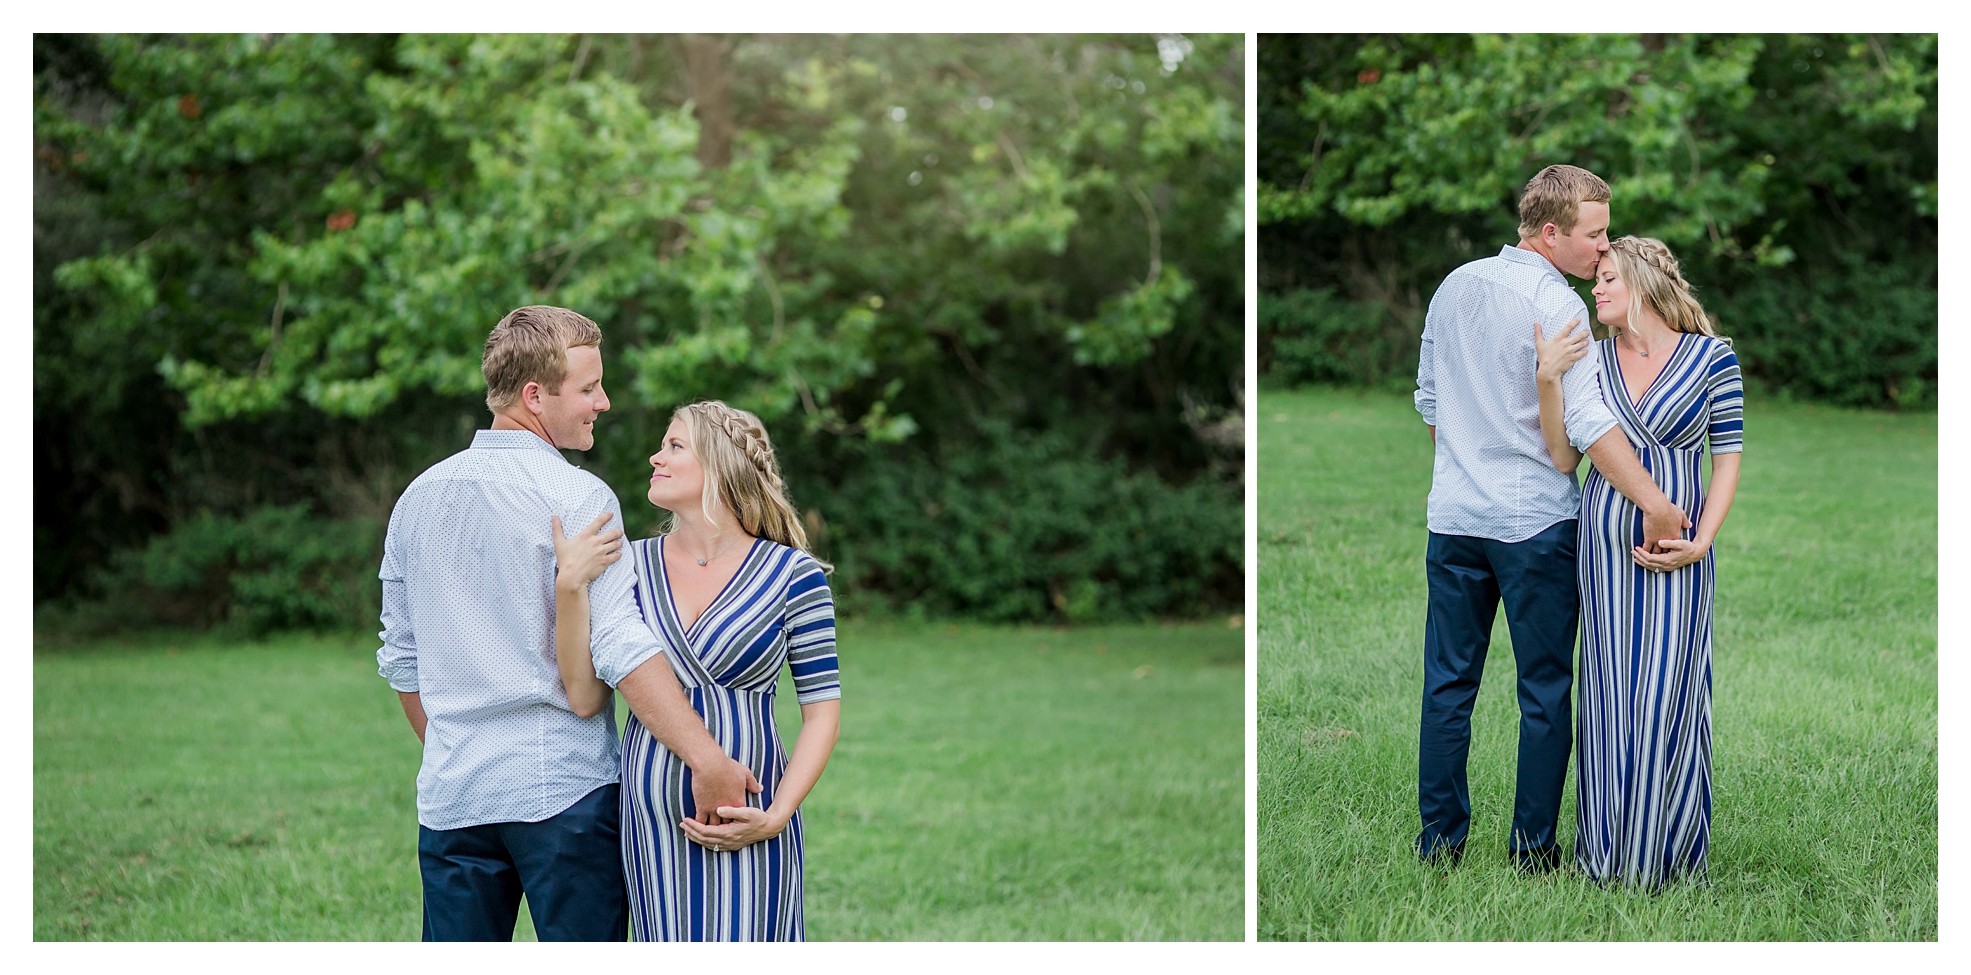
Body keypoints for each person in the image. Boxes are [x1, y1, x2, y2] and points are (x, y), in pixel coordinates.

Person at [375, 306, 759, 941]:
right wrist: (706, 757)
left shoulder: (418, 499)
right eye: (588, 388)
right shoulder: (578, 497)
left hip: (453, 796)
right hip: (566, 797)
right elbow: (617, 642)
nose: (602, 403)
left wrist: (455, 750)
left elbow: (402, 659)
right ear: (535, 395)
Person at [1412, 164, 1690, 873]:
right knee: (1542, 691)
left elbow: (1430, 404)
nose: (1603, 251)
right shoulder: (1558, 308)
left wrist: (1466, 470)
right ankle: (1531, 850)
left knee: (1446, 685)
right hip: (1533, 527)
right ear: (1549, 233)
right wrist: (1654, 503)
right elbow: (1590, 425)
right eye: (1594, 236)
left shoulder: (1452, 287)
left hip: (1452, 518)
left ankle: (1438, 845)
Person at [551, 399, 840, 941]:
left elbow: (823, 713)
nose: (655, 457)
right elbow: (584, 692)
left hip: (751, 812)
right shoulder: (628, 566)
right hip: (652, 818)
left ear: (720, 465)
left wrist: (778, 814)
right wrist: (571, 587)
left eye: (674, 446)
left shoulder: (794, 576)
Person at [1534, 236, 1743, 887]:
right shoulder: (1589, 359)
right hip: (1600, 548)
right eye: (1593, 280)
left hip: (1680, 550)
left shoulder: (1712, 359)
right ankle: (1603, 857)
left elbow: (1727, 458)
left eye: (1605, 279)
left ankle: (1662, 857)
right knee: (1605, 697)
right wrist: (1547, 377)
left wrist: (1702, 538)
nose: (1593, 291)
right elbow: (1563, 456)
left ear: (1643, 283)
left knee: (1665, 696)